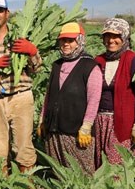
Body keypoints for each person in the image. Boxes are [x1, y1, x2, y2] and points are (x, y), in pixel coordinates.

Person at [0, 0, 42, 176]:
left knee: (24, 147)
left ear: (7, 13)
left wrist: (32, 52)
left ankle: (27, 188)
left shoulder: (19, 36)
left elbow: (37, 68)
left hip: (20, 96)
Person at [39, 22, 101, 174]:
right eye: (63, 40)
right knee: (57, 173)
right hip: (54, 130)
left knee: (81, 175)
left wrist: (86, 127)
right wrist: (42, 120)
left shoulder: (90, 66)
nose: (66, 43)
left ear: (79, 41)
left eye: (70, 40)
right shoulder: (56, 65)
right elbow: (49, 95)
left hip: (77, 132)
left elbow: (94, 100)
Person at [94, 18, 135, 167]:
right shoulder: (98, 60)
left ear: (125, 37)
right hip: (100, 122)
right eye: (107, 36)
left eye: (116, 36)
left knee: (119, 165)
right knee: (101, 164)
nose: (111, 40)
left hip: (123, 122)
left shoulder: (134, 61)